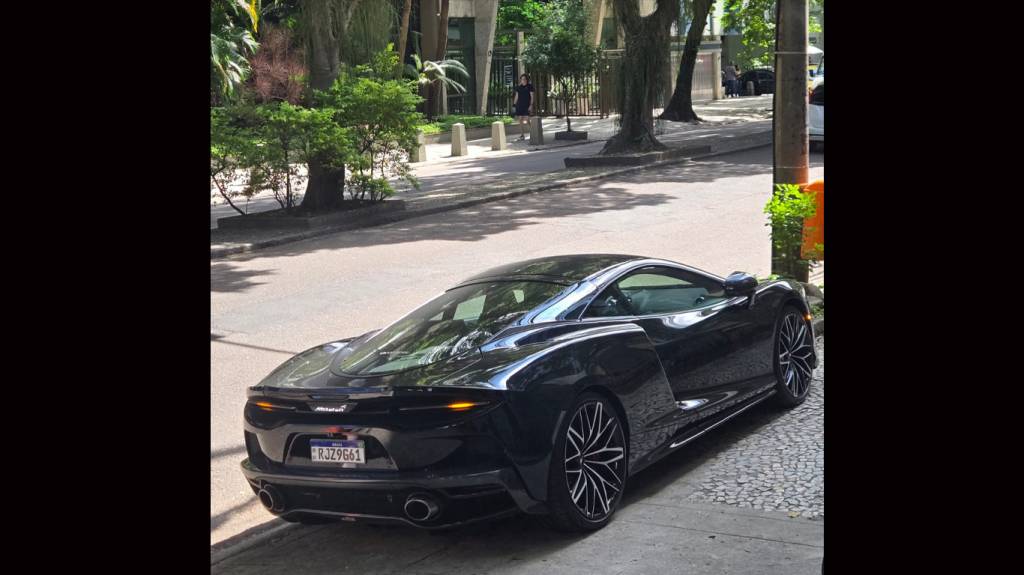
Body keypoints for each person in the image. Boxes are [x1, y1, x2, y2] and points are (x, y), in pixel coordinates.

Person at [512, 74, 534, 141]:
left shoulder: (530, 86)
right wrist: (514, 105)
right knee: (520, 119)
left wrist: (531, 105)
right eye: (522, 79)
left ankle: (533, 133)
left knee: (527, 120)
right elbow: (516, 96)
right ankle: (522, 135)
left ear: (527, 80)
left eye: (524, 79)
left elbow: (532, 97)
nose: (523, 80)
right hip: (520, 105)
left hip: (527, 105)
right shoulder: (519, 87)